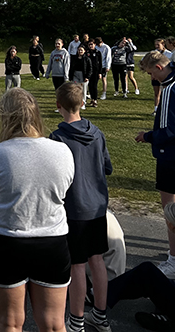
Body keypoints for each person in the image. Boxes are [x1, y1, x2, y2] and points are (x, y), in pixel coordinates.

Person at [0, 88, 74, 332]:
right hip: (51, 241)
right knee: (53, 324)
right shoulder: (62, 151)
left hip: (6, 241)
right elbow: (65, 189)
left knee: (10, 322)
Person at [50, 82, 113, 332]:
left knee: (77, 264)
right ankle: (100, 313)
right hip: (96, 206)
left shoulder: (58, 138)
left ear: (58, 106)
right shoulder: (96, 133)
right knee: (97, 260)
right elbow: (106, 167)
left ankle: (77, 320)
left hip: (75, 208)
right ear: (83, 103)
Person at [136, 51, 175, 280]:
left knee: (171, 209)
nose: (152, 77)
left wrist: (147, 136)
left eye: (152, 73)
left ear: (160, 68)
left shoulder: (171, 89)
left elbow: (168, 130)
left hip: (171, 155)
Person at [106, 202, 175, 331]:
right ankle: (105, 293)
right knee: (150, 274)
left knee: (146, 273)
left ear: (171, 226)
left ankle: (100, 295)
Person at [152, 38, 172, 115]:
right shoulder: (153, 53)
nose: (156, 46)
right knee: (157, 93)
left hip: (165, 77)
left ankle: (165, 110)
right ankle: (156, 110)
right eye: (155, 45)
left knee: (166, 93)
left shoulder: (169, 54)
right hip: (156, 76)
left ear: (163, 44)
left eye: (158, 44)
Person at [87, 40, 103, 108]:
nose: (91, 46)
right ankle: (92, 99)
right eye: (89, 44)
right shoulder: (87, 52)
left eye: (92, 44)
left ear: (95, 45)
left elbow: (100, 63)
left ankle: (95, 100)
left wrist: (100, 72)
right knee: (90, 86)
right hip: (88, 72)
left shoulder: (98, 52)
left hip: (96, 71)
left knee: (94, 86)